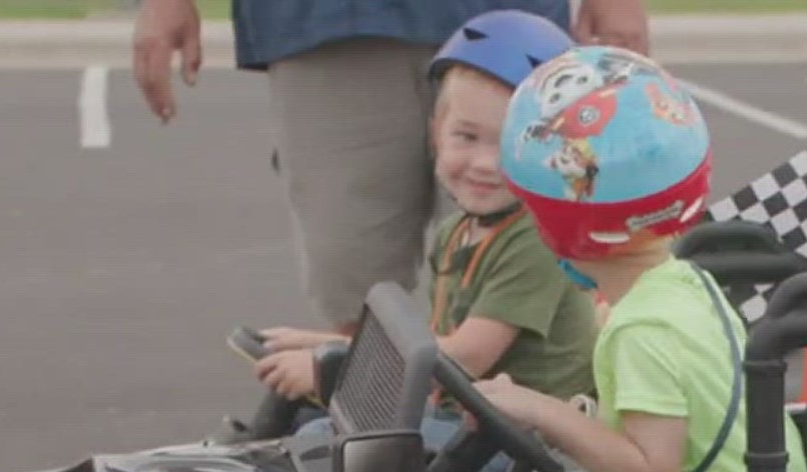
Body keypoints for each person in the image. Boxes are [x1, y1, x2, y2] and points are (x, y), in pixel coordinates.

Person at [478, 46, 807, 472]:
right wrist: (567, 423)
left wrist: (542, 409)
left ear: (559, 224)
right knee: (562, 465)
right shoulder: (681, 280)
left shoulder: (643, 329)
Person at [131, 0, 649, 338]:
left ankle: (519, 458)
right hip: (326, 23)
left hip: (509, 20)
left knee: (525, 270)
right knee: (352, 283)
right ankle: (386, 448)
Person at [240, 10, 601, 472]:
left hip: (521, 446)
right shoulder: (459, 230)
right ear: (435, 133)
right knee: (312, 426)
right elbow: (431, 344)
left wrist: (333, 368)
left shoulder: (536, 241)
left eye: (511, 143)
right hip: (471, 421)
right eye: (466, 137)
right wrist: (325, 345)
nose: (484, 164)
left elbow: (465, 359)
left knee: (326, 443)